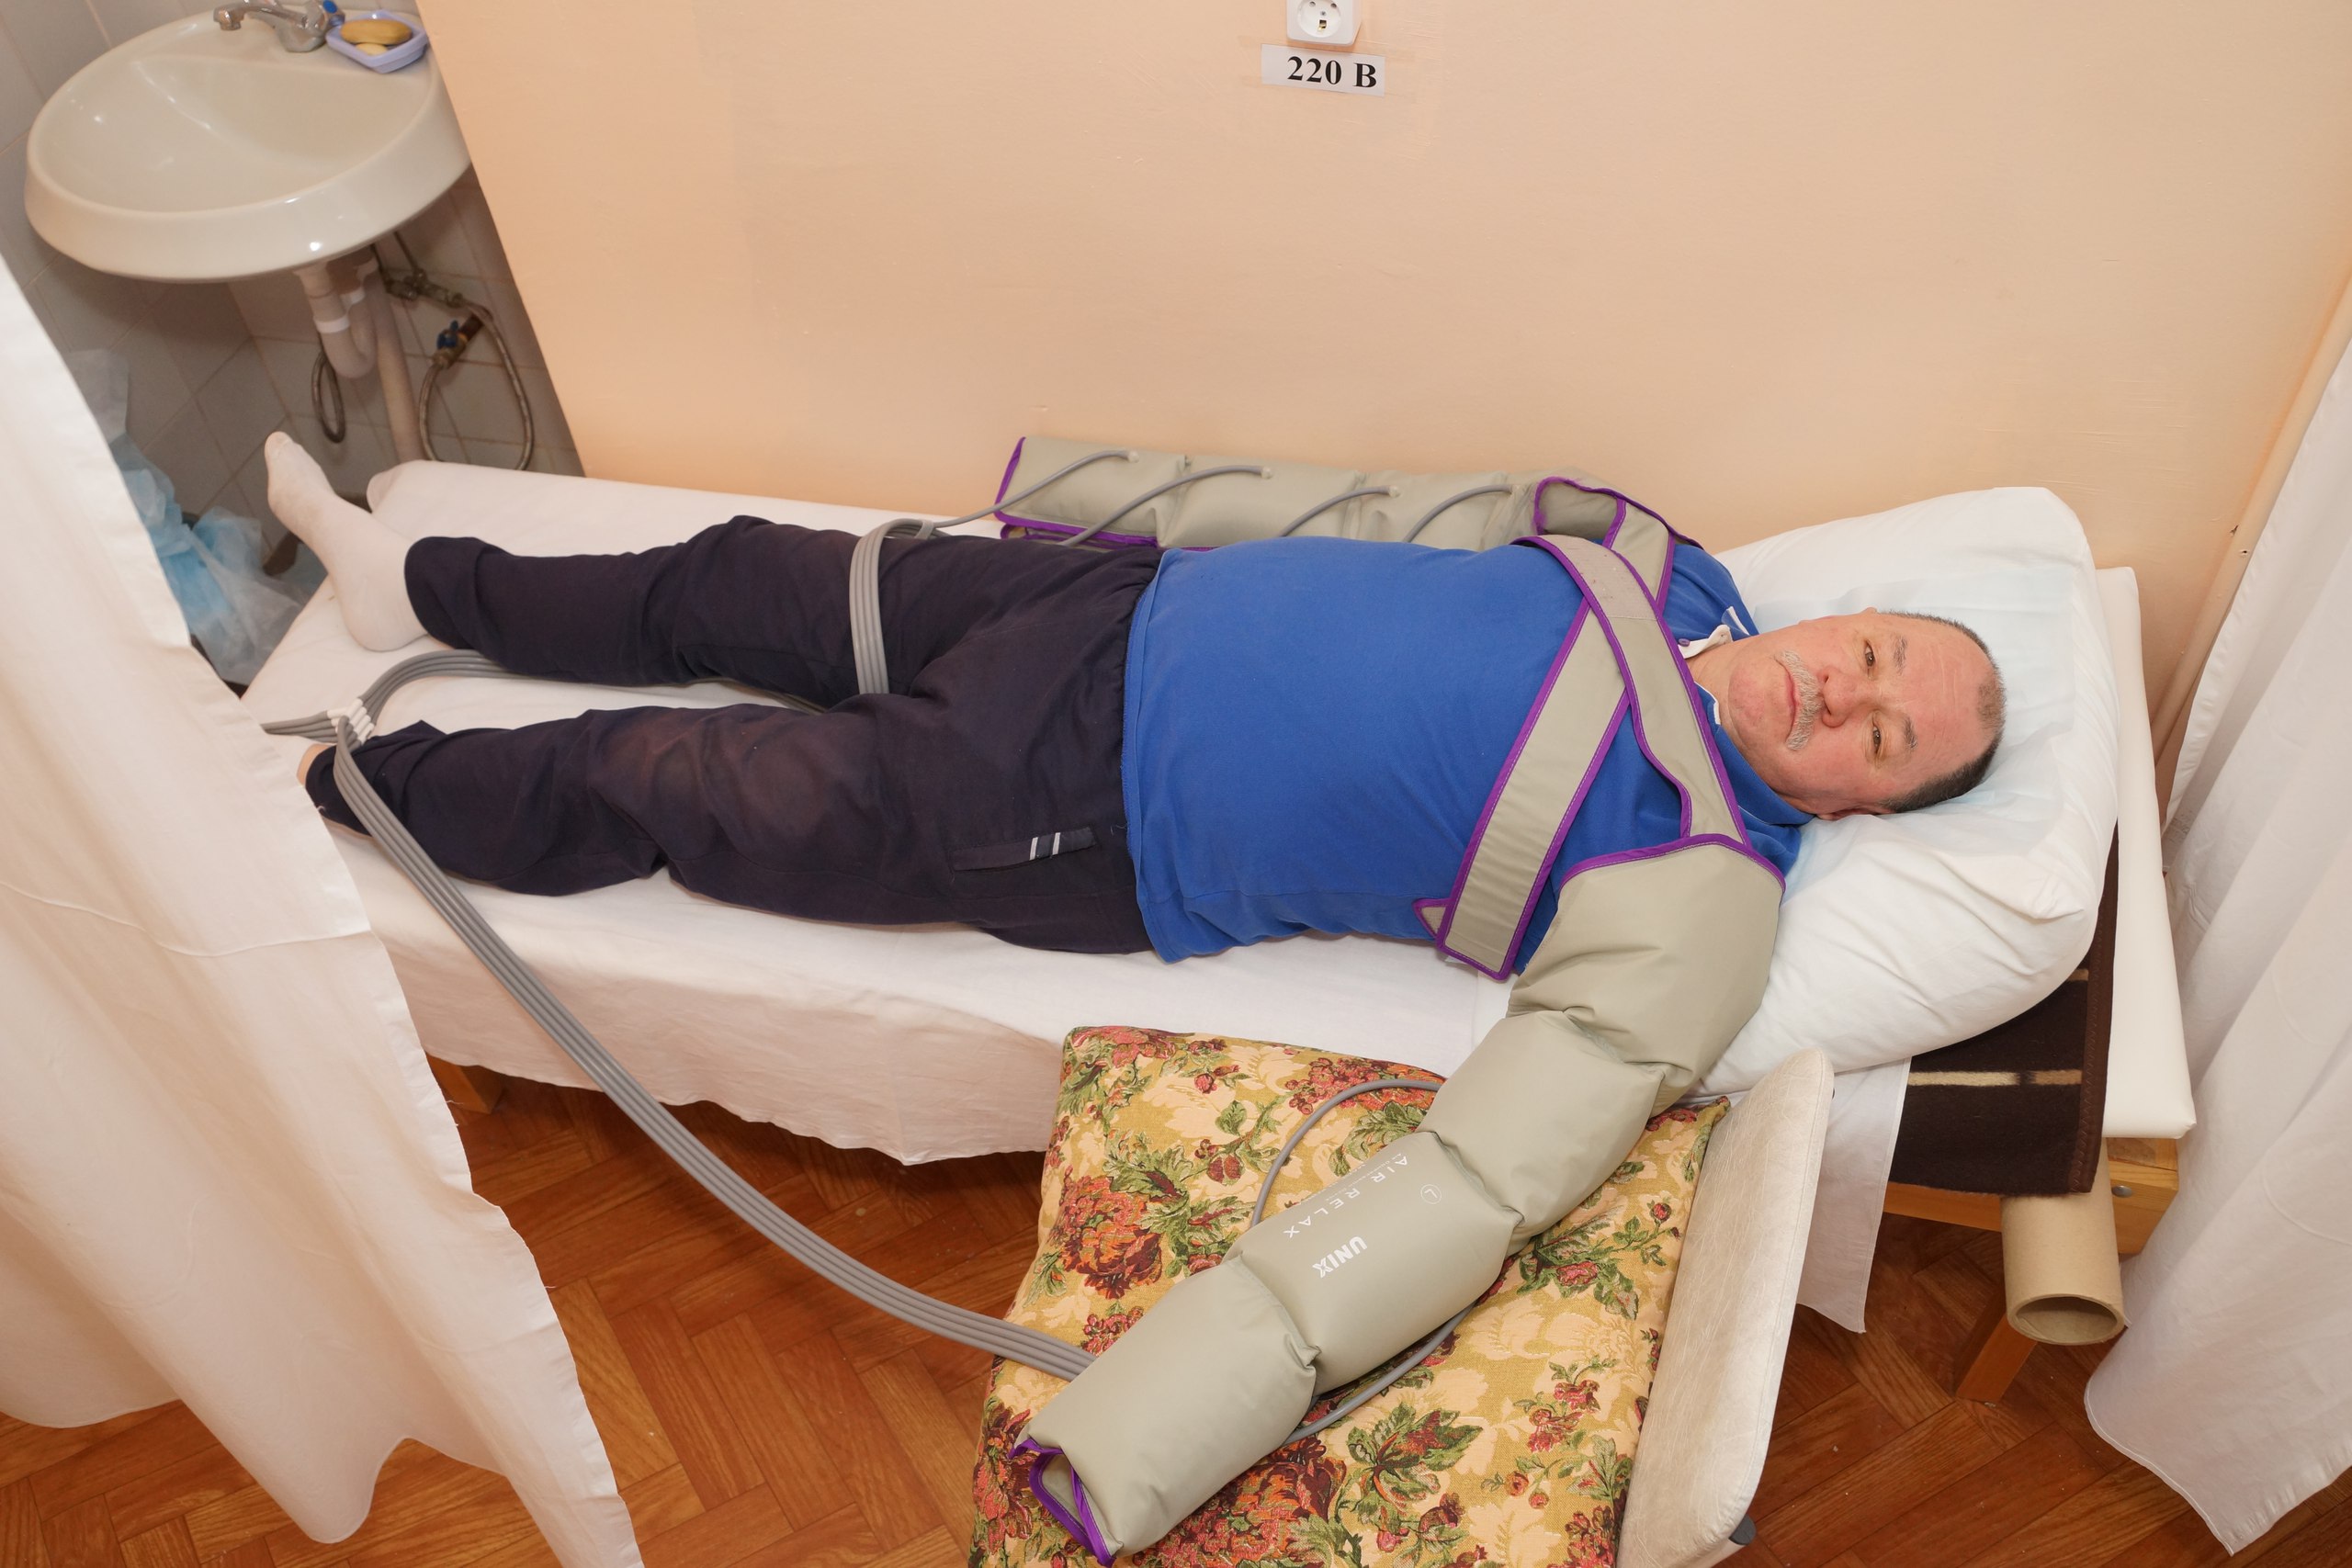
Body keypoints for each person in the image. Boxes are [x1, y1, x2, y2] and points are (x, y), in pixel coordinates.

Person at [262, 434, 2005, 969]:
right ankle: (412, 584)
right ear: (1846, 614)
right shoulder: (1667, 566)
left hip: (1076, 811)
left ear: (1862, 807)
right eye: (1873, 656)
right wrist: (1098, 489)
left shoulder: (1704, 876)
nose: (1840, 697)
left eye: (1883, 740)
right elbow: (1391, 517)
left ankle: (345, 794)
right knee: (733, 579)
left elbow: (1518, 1152)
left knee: (681, 773)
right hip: (1098, 602)